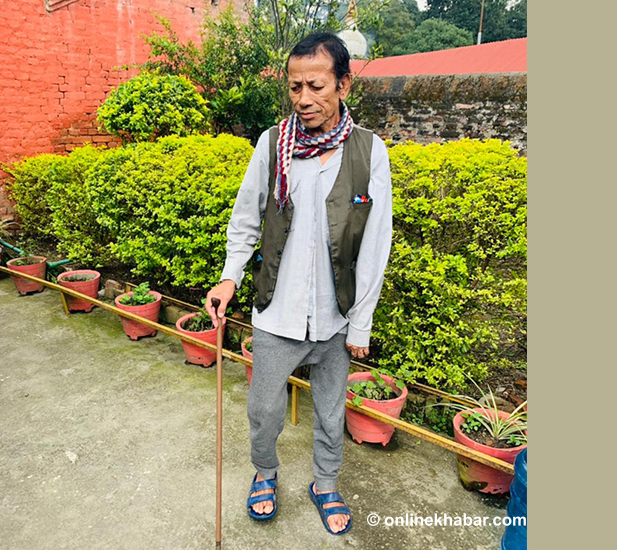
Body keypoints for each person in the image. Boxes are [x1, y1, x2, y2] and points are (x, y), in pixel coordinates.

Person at [204, 31, 393, 536]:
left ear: (344, 85)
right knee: (263, 410)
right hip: (278, 311)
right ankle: (265, 474)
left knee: (331, 415)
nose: (303, 99)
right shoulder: (272, 144)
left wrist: (361, 324)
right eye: (294, 88)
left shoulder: (369, 152)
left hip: (335, 318)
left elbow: (375, 245)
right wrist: (229, 279)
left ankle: (325, 484)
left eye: (315, 86)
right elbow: (246, 219)